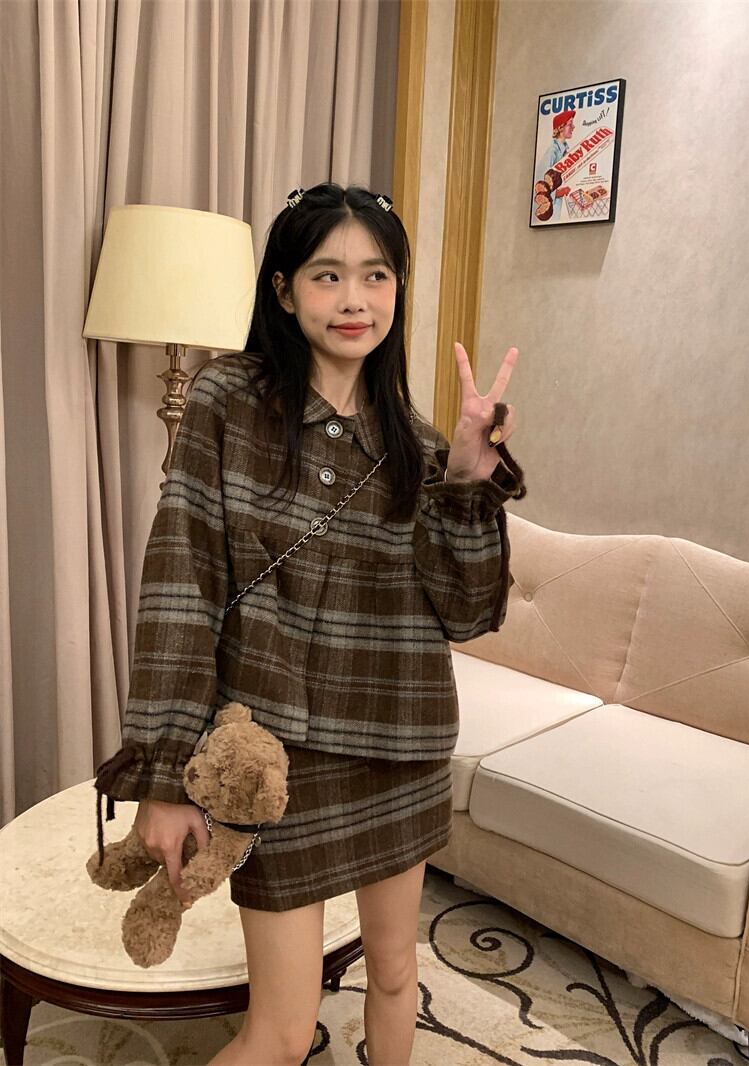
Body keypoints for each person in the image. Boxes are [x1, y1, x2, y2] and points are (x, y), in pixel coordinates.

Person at [93, 182, 526, 1066]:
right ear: (284, 292)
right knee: (283, 1034)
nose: (354, 298)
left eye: (376, 275)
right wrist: (166, 778)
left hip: (399, 747)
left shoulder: (419, 444)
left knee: (396, 973)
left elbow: (468, 613)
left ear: (398, 291)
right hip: (282, 764)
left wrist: (468, 483)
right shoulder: (227, 402)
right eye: (328, 275)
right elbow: (180, 583)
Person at [534, 109, 575, 221]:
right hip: (550, 211)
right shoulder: (552, 151)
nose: (573, 127)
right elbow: (541, 185)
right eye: (570, 124)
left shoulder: (565, 150)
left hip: (559, 208)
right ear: (561, 128)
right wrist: (560, 192)